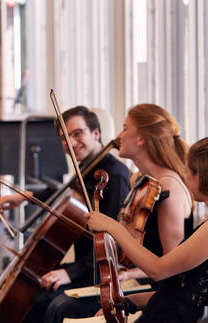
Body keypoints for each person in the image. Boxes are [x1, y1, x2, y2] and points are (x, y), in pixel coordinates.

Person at [45, 103, 194, 323]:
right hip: (130, 277)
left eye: (125, 128)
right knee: (56, 301)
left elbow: (171, 270)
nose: (118, 136)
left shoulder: (168, 189)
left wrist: (128, 271)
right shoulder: (139, 180)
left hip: (158, 294)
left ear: (141, 138)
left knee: (61, 307)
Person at [0, 106, 130, 323]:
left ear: (96, 133)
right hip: (86, 265)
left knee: (40, 299)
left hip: (100, 272)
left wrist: (70, 273)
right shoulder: (87, 168)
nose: (72, 143)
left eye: (78, 134)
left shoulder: (115, 174)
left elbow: (113, 240)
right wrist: (24, 196)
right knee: (33, 287)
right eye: (65, 138)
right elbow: (64, 192)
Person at [88, 136, 208, 322]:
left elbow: (157, 270)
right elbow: (177, 290)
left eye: (188, 171)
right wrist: (128, 301)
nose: (184, 175)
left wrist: (112, 226)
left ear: (201, 175)